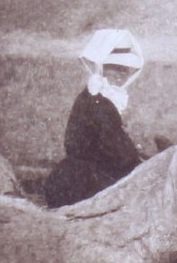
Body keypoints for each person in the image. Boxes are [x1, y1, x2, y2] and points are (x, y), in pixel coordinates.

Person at [44, 29, 144, 208]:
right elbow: (121, 155)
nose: (122, 74)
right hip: (84, 183)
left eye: (125, 69)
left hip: (79, 174)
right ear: (103, 68)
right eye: (116, 68)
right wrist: (141, 162)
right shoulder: (100, 103)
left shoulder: (93, 96)